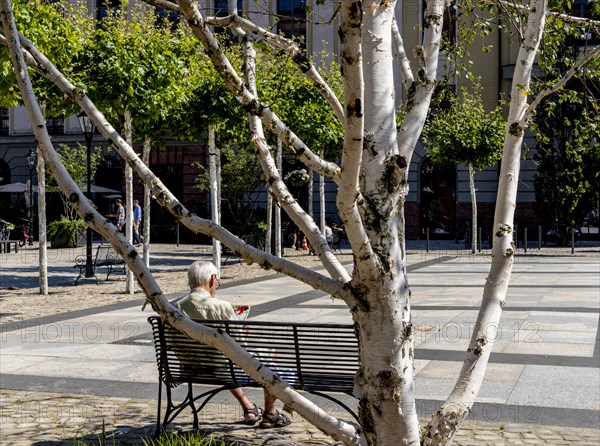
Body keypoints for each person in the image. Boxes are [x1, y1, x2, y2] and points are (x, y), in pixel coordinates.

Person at [170, 261, 292, 428]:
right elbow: (240, 348)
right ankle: (271, 413)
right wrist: (243, 332)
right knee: (282, 368)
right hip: (223, 372)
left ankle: (249, 408)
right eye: (217, 283)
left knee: (221, 360)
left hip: (188, 370)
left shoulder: (172, 307)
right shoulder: (222, 307)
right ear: (212, 280)